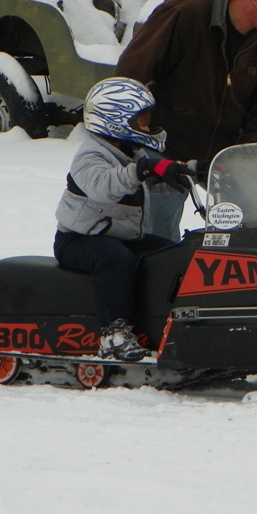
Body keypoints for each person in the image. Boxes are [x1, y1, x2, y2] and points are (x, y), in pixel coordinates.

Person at [115, 0, 257, 241]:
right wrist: (135, 128)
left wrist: (243, 164)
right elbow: (131, 72)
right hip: (165, 149)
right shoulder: (184, 15)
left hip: (224, 159)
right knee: (156, 233)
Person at [53, 77, 195, 361]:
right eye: (141, 121)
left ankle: (169, 321)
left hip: (122, 236)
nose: (147, 126)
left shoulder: (131, 152)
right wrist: (141, 170)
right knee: (115, 258)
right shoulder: (90, 156)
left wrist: (188, 170)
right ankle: (114, 335)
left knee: (173, 253)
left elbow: (150, 173)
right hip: (78, 240)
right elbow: (105, 186)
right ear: (116, 120)